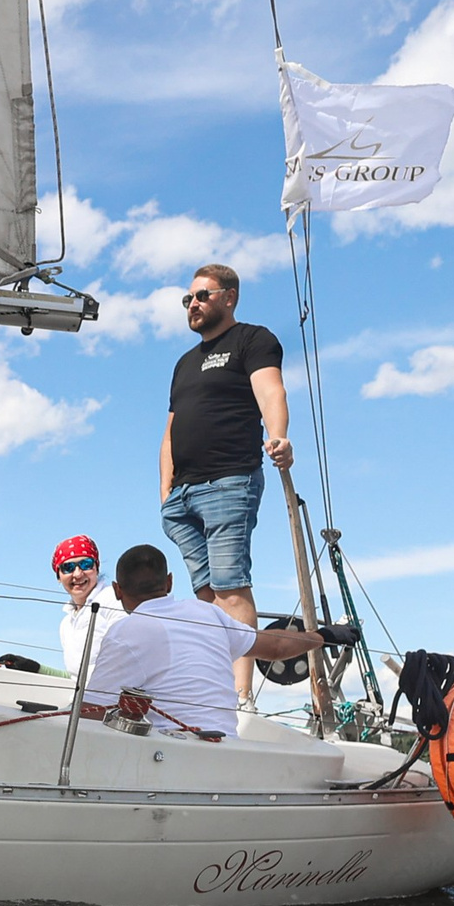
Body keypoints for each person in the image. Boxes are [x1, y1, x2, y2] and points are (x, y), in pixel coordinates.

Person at [160, 263, 291, 705]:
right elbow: (171, 429)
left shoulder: (252, 340)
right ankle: (212, 684)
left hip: (229, 480)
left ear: (229, 297)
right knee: (204, 596)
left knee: (231, 587)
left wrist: (278, 436)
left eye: (201, 296)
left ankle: (239, 694)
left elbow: (271, 391)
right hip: (182, 497)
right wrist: (166, 492)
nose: (192, 305)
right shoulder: (184, 363)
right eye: (188, 300)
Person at [82, 546, 351, 740]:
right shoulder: (206, 613)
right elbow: (276, 648)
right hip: (226, 748)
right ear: (169, 582)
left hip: (172, 758)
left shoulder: (126, 631)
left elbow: (89, 712)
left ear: (117, 590)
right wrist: (324, 636)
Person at [51, 533, 121, 674]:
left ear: (97, 568)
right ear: (58, 576)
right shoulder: (66, 624)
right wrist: (38, 669)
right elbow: (76, 679)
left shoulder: (113, 600)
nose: (77, 574)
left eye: (85, 564)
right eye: (68, 567)